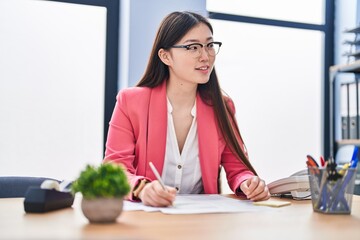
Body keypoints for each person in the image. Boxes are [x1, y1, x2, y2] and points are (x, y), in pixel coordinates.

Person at [103, 11, 270, 207]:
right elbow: (115, 168)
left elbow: (238, 168)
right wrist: (141, 188)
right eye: (193, 47)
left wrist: (248, 183)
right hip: (146, 217)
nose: (205, 56)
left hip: (203, 219)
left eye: (209, 45)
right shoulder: (130, 101)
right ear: (165, 56)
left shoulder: (222, 107)